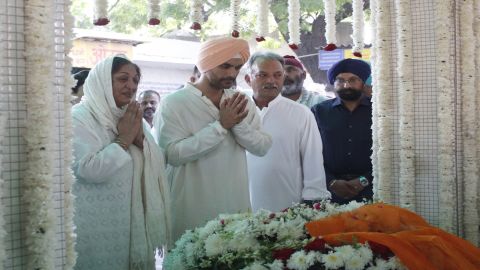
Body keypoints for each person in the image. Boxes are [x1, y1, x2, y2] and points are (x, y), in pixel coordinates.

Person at [156, 37, 272, 241]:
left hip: (234, 202)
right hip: (190, 206)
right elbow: (172, 155)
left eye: (237, 67)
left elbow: (262, 147)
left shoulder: (241, 101)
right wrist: (220, 126)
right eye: (225, 66)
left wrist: (237, 124)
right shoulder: (174, 104)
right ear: (205, 64)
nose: (231, 73)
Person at [72, 55, 170, 270]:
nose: (131, 86)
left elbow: (158, 161)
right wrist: (124, 140)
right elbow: (88, 169)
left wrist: (141, 143)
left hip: (130, 219)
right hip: (96, 223)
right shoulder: (79, 117)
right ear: (104, 81)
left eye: (135, 80)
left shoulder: (131, 115)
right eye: (123, 79)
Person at [244, 51, 331, 212]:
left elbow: (313, 159)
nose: (271, 80)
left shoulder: (301, 113)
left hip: (287, 204)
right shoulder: (237, 109)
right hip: (240, 201)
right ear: (248, 79)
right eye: (262, 75)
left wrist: (313, 199)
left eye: (277, 75)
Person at [311, 58, 373, 205]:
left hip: (371, 189)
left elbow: (389, 151)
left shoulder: (378, 110)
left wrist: (364, 181)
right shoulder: (319, 111)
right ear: (334, 83)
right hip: (328, 191)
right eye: (340, 80)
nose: (346, 85)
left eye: (353, 80)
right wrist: (331, 182)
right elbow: (310, 152)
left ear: (363, 83)